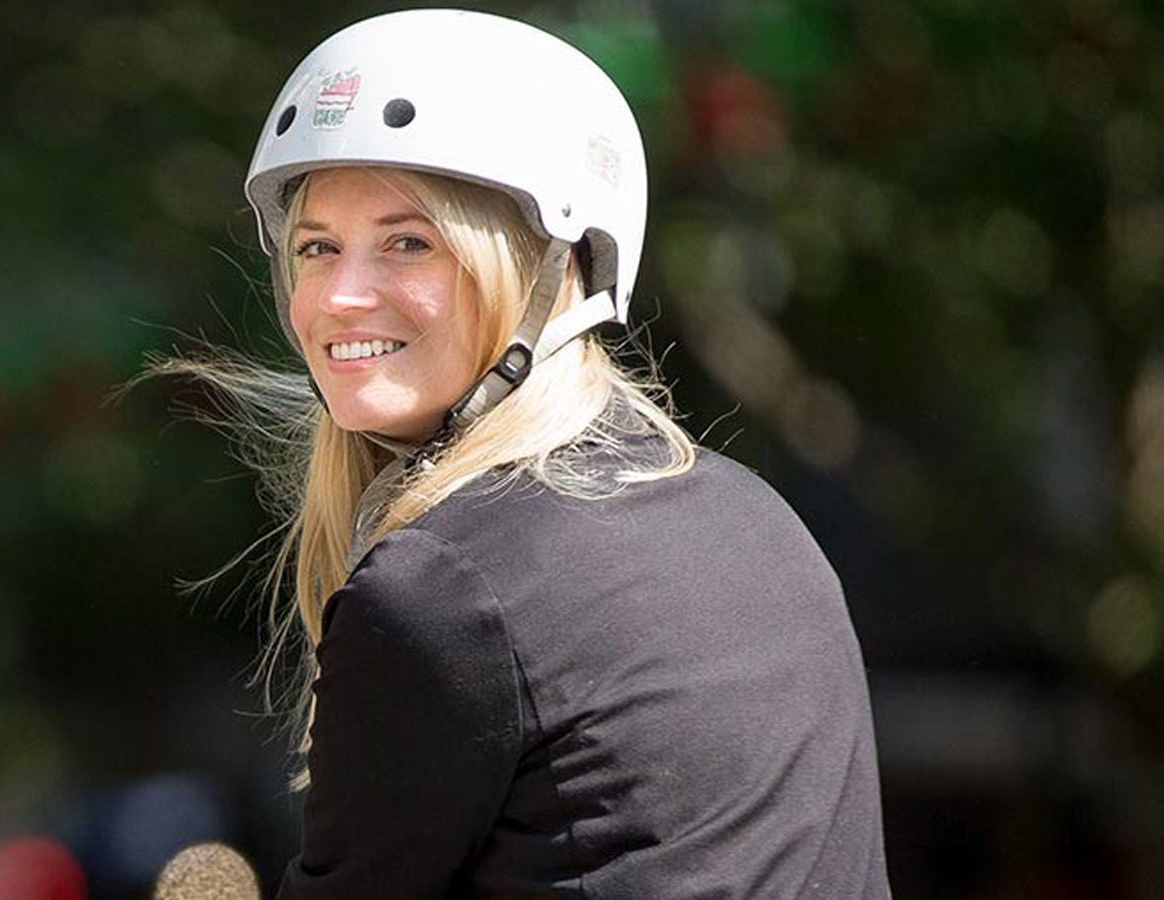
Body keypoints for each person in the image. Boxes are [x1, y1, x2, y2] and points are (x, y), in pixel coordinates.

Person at [176, 9, 891, 897]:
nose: (340, 295)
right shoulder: (753, 518)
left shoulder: (447, 592)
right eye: (317, 247)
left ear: (551, 270)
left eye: (409, 241)